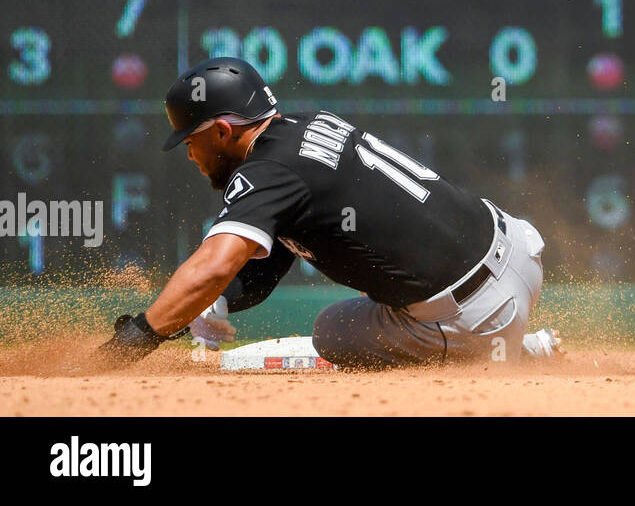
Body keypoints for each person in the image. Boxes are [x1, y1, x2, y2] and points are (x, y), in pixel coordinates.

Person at [96, 57, 562, 370]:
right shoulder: (307, 127)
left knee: (332, 332)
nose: (189, 155)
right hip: (521, 249)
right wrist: (212, 300)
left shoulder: (268, 171)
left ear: (221, 130)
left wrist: (133, 340)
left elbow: (214, 264)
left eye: (190, 140)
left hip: (475, 314)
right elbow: (264, 266)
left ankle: (500, 353)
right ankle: (516, 344)